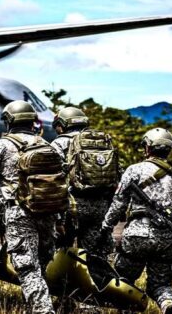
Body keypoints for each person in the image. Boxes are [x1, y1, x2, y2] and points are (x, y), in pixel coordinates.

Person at [0, 100, 65, 314]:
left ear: (8, 121)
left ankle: (43, 311)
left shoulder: (1, 146)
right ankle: (48, 303)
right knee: (43, 262)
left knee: (26, 266)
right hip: (48, 212)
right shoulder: (47, 145)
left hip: (19, 213)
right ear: (32, 121)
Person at [100, 128, 172, 314]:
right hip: (166, 240)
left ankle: (127, 309)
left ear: (148, 147)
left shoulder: (133, 171)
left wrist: (105, 228)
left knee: (124, 280)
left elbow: (118, 204)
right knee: (161, 284)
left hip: (136, 238)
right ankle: (168, 306)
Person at [51, 107, 116, 259]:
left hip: (70, 205)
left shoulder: (58, 144)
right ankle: (95, 280)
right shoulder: (102, 142)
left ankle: (65, 281)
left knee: (61, 252)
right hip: (99, 205)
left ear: (62, 124)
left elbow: (54, 177)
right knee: (94, 255)